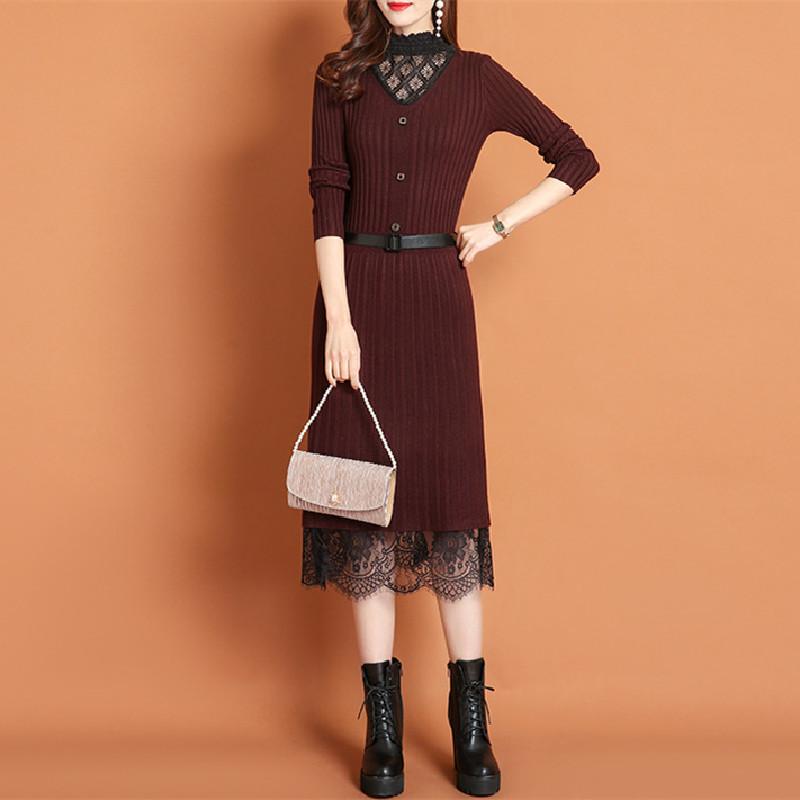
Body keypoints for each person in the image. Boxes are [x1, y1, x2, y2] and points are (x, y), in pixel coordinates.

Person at [300, 1, 600, 796]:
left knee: (452, 512)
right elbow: (327, 197)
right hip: (356, 302)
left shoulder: (477, 78)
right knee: (363, 512)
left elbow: (576, 157)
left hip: (437, 305)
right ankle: (384, 732)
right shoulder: (339, 77)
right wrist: (340, 320)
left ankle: (472, 725)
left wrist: (497, 226)